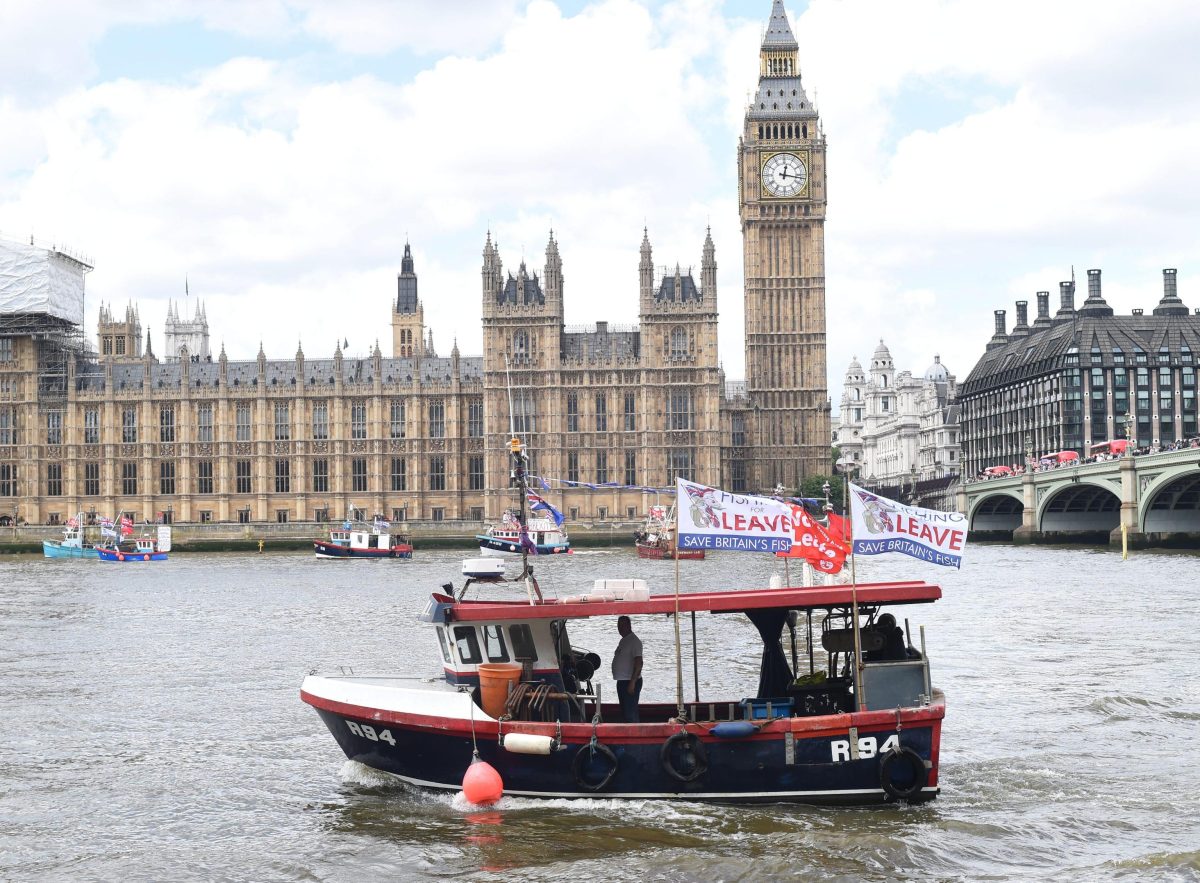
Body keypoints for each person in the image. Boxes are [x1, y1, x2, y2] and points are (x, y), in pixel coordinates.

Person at [611, 615, 643, 723]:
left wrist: (633, 682)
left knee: (631, 713)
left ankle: (636, 736)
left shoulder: (635, 641)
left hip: (630, 682)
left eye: (623, 625)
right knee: (624, 712)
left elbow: (639, 663)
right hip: (622, 681)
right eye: (618, 625)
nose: (620, 628)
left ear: (629, 626)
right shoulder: (623, 640)